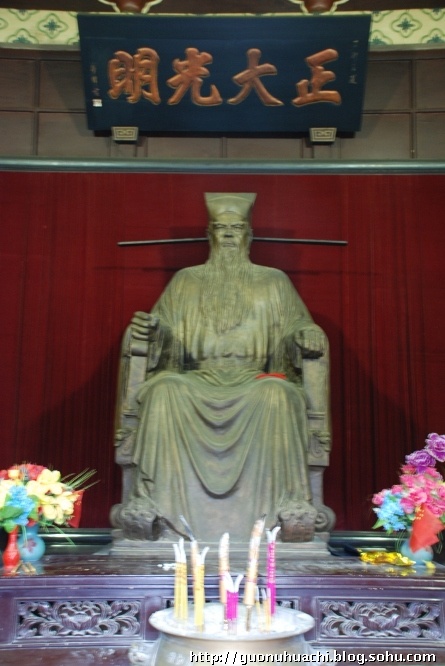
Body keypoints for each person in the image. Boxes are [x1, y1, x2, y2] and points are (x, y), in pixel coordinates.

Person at [113, 193, 329, 543]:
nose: (228, 234)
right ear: (209, 234)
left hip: (254, 379)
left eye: (236, 228)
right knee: (165, 390)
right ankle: (152, 506)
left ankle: (290, 507)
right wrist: (152, 332)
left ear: (249, 236)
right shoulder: (186, 280)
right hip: (197, 377)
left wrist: (307, 334)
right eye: (221, 228)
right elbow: (163, 330)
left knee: (277, 393)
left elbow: (296, 327)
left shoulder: (274, 281)